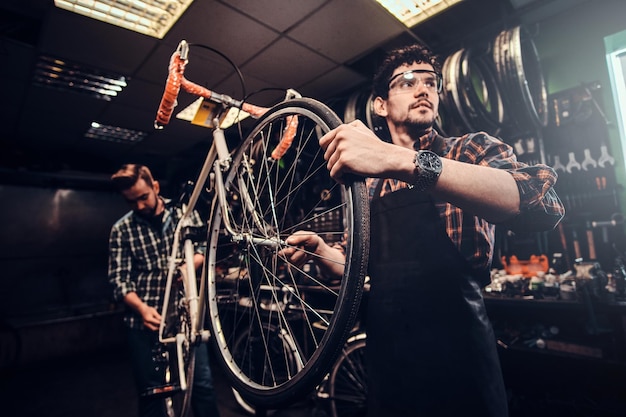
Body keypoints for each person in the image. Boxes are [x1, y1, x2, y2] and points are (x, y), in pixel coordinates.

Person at [281, 44, 565, 416]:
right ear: (380, 105)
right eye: (408, 82)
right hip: (388, 365)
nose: (423, 90)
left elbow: (541, 204)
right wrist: (322, 253)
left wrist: (399, 159)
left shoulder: (469, 151)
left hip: (462, 362)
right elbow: (357, 269)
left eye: (431, 82)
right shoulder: (368, 187)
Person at [108, 164, 220, 417]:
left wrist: (186, 267)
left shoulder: (185, 212)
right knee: (152, 393)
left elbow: (203, 247)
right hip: (145, 324)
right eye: (131, 201)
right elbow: (119, 280)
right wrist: (142, 309)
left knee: (201, 387)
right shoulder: (121, 230)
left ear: (155, 187)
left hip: (185, 321)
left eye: (143, 197)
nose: (138, 206)